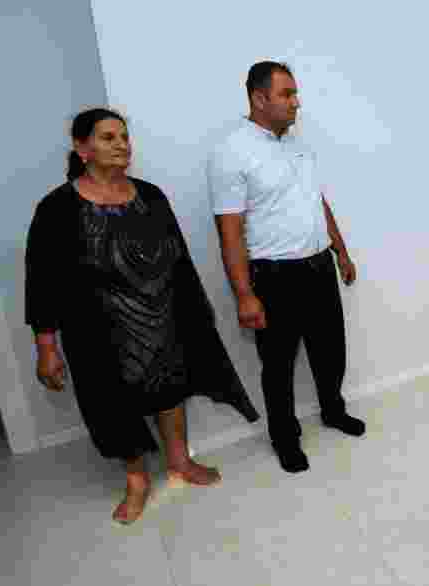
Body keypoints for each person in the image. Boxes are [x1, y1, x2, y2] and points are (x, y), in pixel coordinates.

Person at [25, 108, 260, 525]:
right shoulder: (57, 208)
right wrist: (47, 347)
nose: (121, 145)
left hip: (162, 319)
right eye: (108, 137)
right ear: (83, 149)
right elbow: (43, 282)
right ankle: (136, 481)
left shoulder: (150, 195)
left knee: (171, 389)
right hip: (97, 332)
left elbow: (178, 262)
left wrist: (192, 317)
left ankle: (179, 462)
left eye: (124, 137)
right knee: (111, 405)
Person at [208, 61, 365, 474]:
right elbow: (229, 231)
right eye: (287, 94)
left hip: (318, 268)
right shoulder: (232, 151)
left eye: (295, 93)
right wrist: (244, 294)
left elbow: (317, 203)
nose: (297, 102)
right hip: (275, 277)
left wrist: (341, 252)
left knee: (330, 352)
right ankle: (285, 437)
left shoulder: (298, 145)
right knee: (278, 366)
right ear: (259, 99)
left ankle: (333, 410)